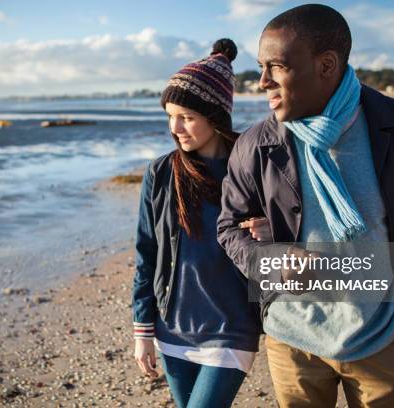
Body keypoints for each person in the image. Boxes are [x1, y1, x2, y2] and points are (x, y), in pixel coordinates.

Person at [217, 5, 394, 408]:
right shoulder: (255, 144)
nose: (261, 82)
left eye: (276, 67)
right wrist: (272, 260)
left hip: (387, 339)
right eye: (261, 67)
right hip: (292, 342)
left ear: (326, 64)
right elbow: (229, 229)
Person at [132, 39, 261, 408]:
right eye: (170, 115)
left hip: (231, 329)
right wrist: (142, 330)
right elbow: (146, 253)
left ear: (215, 116)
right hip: (172, 329)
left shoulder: (249, 170)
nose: (175, 127)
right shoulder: (160, 173)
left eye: (186, 117)